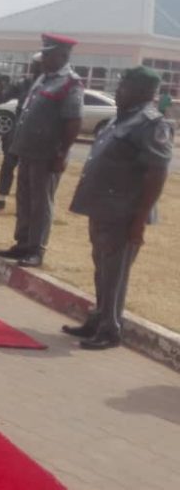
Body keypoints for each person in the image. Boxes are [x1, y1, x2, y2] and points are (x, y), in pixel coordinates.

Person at [63, 66, 172, 350]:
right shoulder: (121, 118)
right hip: (103, 208)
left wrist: (139, 219)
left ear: (143, 91)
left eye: (124, 85)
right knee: (102, 269)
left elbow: (157, 172)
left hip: (124, 212)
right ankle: (98, 318)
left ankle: (110, 330)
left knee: (115, 274)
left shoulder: (151, 124)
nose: (118, 90)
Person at [0, 34, 83, 268]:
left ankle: (36, 249)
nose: (43, 58)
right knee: (24, 198)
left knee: (41, 203)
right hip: (27, 150)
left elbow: (73, 121)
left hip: (47, 154)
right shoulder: (43, 79)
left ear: (62, 55)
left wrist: (62, 154)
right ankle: (22, 243)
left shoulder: (70, 83)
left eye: (47, 54)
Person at [0, 53, 42, 213]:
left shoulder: (52, 85)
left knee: (31, 172)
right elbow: (0, 100)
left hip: (38, 133)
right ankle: (0, 199)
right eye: (33, 64)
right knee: (7, 165)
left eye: (37, 64)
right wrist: (1, 85)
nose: (33, 67)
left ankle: (27, 204)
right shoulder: (25, 83)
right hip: (18, 131)